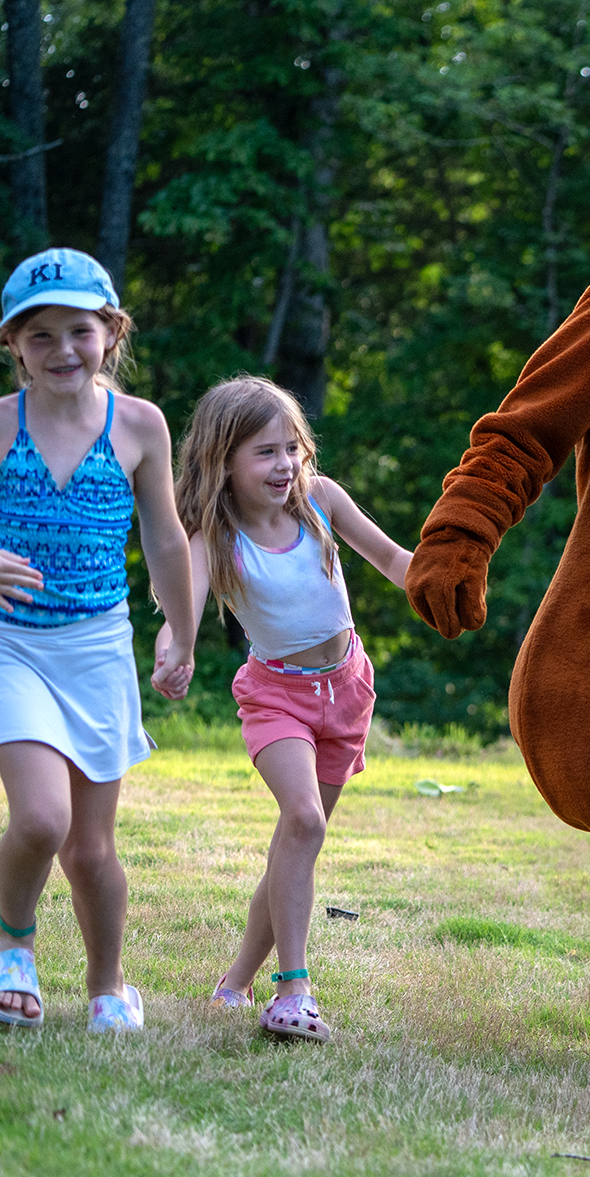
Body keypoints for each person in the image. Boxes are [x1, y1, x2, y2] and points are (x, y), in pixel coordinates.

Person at [0, 247, 197, 1033]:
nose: (62, 350)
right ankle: (10, 941)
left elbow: (168, 539)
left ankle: (109, 987)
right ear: (11, 342)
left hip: (97, 649)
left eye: (79, 331)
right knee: (42, 821)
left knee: (91, 851)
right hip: (12, 646)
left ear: (111, 334)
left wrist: (180, 634)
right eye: (39, 335)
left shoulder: (141, 425)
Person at [157, 375, 411, 1042]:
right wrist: (174, 651)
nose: (285, 465)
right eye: (265, 453)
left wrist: (447, 578)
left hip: (349, 689)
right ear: (224, 462)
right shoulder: (214, 536)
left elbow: (391, 558)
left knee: (297, 844)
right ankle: (292, 991)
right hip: (277, 696)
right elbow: (180, 610)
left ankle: (234, 983)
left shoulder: (321, 501)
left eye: (292, 448)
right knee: (302, 820)